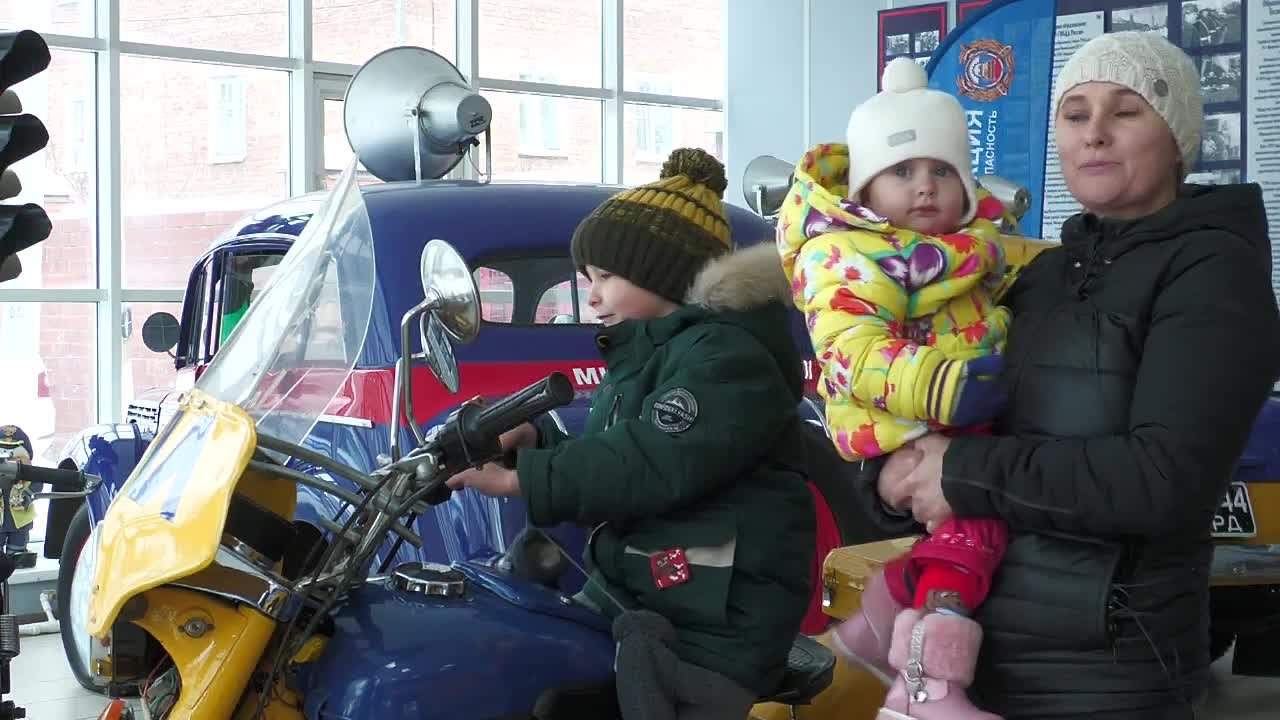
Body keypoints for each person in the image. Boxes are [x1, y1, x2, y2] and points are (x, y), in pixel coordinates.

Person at [875, 31, 1280, 719]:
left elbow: (1162, 480)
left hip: (1110, 675)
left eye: (1125, 111)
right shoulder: (1041, 276)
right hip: (977, 660)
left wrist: (959, 472)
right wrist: (892, 471)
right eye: (1075, 113)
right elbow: (959, 418)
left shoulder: (1213, 272)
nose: (1094, 133)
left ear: (1177, 137)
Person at [445, 147, 817, 720]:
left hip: (715, 626)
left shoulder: (727, 357)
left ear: (662, 275)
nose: (591, 295)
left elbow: (652, 461)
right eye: (587, 279)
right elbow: (619, 453)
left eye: (605, 277)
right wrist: (536, 445)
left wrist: (524, 482)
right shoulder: (647, 352)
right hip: (649, 593)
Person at [777, 56, 1015, 719]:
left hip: (958, 411)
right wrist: (943, 387)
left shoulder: (973, 249)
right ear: (865, 188)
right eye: (902, 171)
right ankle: (929, 688)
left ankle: (877, 624)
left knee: (966, 539)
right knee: (971, 540)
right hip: (907, 419)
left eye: (943, 170)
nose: (925, 186)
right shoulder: (846, 255)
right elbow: (851, 352)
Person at [0, 425, 37, 555]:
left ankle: (17, 556)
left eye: (14, 448)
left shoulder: (30, 473)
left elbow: (37, 484)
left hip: (21, 520)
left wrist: (28, 494)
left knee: (18, 550)